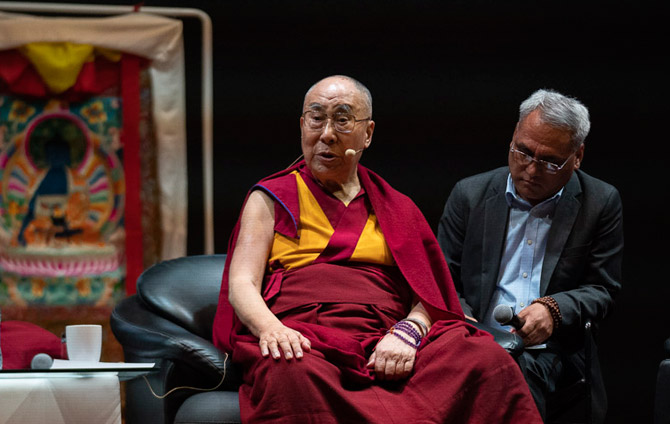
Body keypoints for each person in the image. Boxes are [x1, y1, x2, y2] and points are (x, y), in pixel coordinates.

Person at [212, 75, 541, 423]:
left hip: (385, 337)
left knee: (485, 360)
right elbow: (242, 283)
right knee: (290, 370)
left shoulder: (396, 207)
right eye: (316, 117)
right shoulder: (271, 198)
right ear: (301, 126)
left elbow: (428, 295)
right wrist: (271, 329)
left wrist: (408, 332)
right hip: (306, 337)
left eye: (341, 119)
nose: (326, 134)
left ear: (367, 133)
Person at [437, 89, 623, 422]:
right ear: (513, 137)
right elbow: (441, 280)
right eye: (523, 152)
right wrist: (470, 328)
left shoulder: (600, 203)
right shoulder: (470, 194)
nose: (532, 170)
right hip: (472, 338)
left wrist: (553, 310)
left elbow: (603, 290)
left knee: (516, 370)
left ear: (577, 156)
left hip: (553, 349)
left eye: (550, 161)